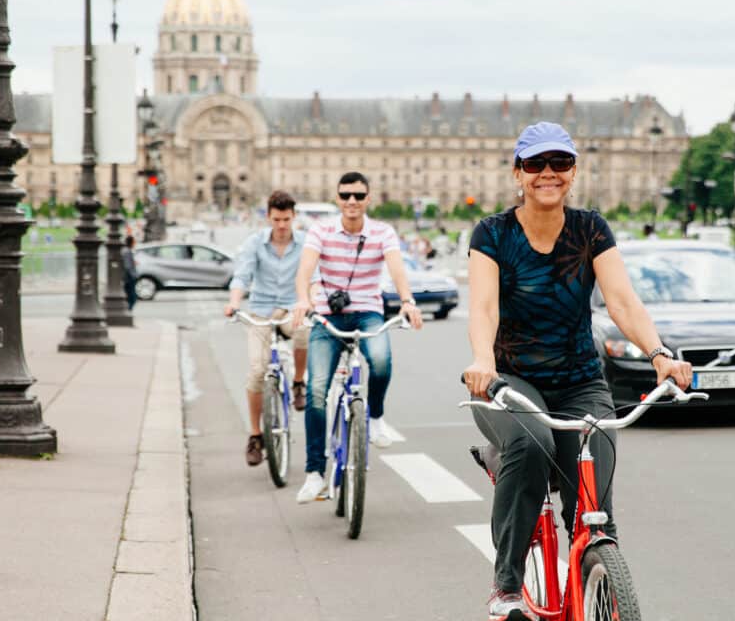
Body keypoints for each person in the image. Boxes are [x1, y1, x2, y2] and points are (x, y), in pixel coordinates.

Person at [461, 122, 693, 621]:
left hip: (580, 381)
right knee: (531, 445)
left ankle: (596, 572)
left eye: (560, 163)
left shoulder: (591, 229)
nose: (549, 173)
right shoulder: (493, 233)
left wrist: (658, 354)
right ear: (517, 173)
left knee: (594, 502)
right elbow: (483, 308)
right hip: (507, 380)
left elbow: (623, 302)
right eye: (536, 164)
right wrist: (483, 361)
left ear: (573, 172)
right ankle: (506, 586)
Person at [290, 172, 425, 503]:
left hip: (367, 311)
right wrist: (304, 299)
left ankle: (375, 416)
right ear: (337, 198)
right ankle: (314, 474)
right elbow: (305, 270)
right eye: (346, 195)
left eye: (358, 195)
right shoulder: (320, 230)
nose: (352, 201)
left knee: (380, 360)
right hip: (328, 314)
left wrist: (407, 300)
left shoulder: (383, 232)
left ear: (368, 198)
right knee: (317, 389)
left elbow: (396, 269)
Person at [224, 191, 311, 467]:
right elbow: (242, 275)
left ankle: (298, 382)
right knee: (257, 372)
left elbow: (315, 278)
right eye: (277, 219)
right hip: (260, 310)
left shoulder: (306, 244)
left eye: (286, 219)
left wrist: (310, 303)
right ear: (268, 217)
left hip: (290, 308)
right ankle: (255, 435)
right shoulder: (255, 243)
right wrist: (234, 303)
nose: (282, 225)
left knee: (304, 331)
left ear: (294, 217)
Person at [121, 235, 138, 311]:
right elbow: (127, 266)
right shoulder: (127, 251)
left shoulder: (126, 250)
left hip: (127, 277)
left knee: (130, 295)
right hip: (129, 277)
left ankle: (128, 309)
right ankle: (128, 310)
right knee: (132, 296)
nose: (135, 243)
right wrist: (133, 275)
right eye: (134, 242)